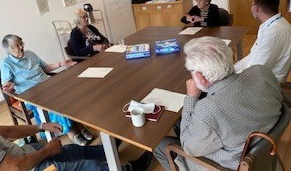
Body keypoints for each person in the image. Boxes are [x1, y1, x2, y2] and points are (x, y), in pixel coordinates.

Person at [153, 36, 282, 170]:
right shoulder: (262, 71)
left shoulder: (208, 109)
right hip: (261, 146)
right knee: (181, 124)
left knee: (159, 144)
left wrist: (191, 97)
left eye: (191, 71)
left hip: (226, 164)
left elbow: (188, 147)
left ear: (201, 77)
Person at [0, 34, 94, 146]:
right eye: (17, 45)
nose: (21, 47)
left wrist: (61, 63)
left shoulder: (30, 54)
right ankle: (72, 132)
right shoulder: (6, 64)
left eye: (21, 44)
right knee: (55, 103)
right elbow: (6, 84)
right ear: (9, 50)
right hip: (30, 95)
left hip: (48, 86)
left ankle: (80, 126)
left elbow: (46, 68)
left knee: (69, 95)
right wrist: (9, 85)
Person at [0, 122, 153, 171]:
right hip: (29, 167)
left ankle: (108, 151)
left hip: (27, 153)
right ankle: (129, 169)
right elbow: (15, 168)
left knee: (73, 149)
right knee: (90, 166)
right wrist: (47, 150)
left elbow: (8, 131)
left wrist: (42, 126)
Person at [234, 0, 291, 82]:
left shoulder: (274, 32)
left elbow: (256, 70)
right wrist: (233, 69)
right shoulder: (272, 24)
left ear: (255, 8)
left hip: (267, 85)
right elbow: (252, 56)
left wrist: (232, 77)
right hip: (260, 77)